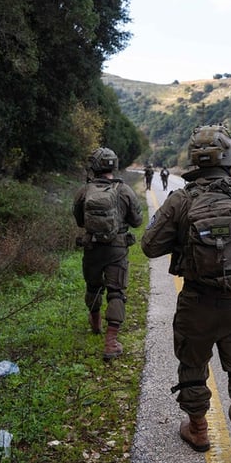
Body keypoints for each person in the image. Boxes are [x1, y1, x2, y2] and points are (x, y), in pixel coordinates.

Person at [141, 124, 231, 463]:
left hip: (196, 302)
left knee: (192, 366)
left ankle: (199, 428)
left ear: (194, 158)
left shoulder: (182, 199)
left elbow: (148, 246)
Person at [72, 147, 144, 361]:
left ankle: (95, 324)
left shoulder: (84, 191)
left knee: (93, 287)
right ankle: (111, 343)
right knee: (116, 292)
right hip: (117, 249)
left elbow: (79, 220)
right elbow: (137, 221)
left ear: (93, 166)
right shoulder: (124, 190)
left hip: (92, 247)